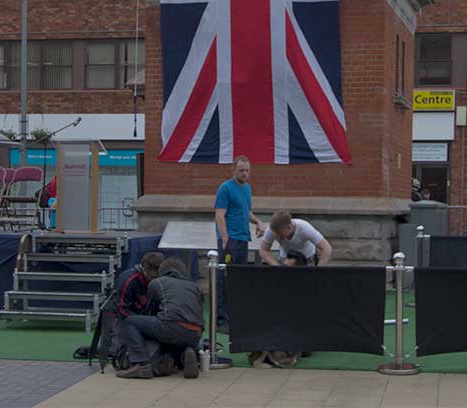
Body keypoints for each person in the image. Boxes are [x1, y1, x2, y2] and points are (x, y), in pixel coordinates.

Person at [115, 256, 204, 380]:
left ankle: (141, 364)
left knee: (130, 322)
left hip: (171, 326)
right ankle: (186, 353)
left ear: (162, 271)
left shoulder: (157, 283)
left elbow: (151, 312)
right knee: (176, 334)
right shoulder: (194, 286)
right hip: (196, 334)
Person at [214, 156, 265, 328]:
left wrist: (258, 222)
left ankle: (235, 316)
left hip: (243, 239)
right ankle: (221, 319)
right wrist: (225, 238)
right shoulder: (225, 188)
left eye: (247, 170)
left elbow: (246, 211)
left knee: (238, 278)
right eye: (241, 170)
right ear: (233, 170)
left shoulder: (247, 188)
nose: (245, 173)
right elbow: (219, 215)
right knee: (224, 278)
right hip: (230, 241)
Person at [259, 211, 332, 267]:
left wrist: (318, 270)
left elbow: (327, 248)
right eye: (276, 234)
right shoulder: (272, 230)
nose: (277, 236)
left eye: (280, 234)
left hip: (308, 260)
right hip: (286, 260)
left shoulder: (305, 227)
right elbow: (263, 250)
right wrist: (277, 266)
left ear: (289, 227)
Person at [113, 251, 164, 319]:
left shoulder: (163, 280)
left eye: (158, 277)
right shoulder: (128, 280)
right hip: (125, 320)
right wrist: (144, 321)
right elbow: (121, 310)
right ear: (143, 269)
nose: (155, 281)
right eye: (152, 277)